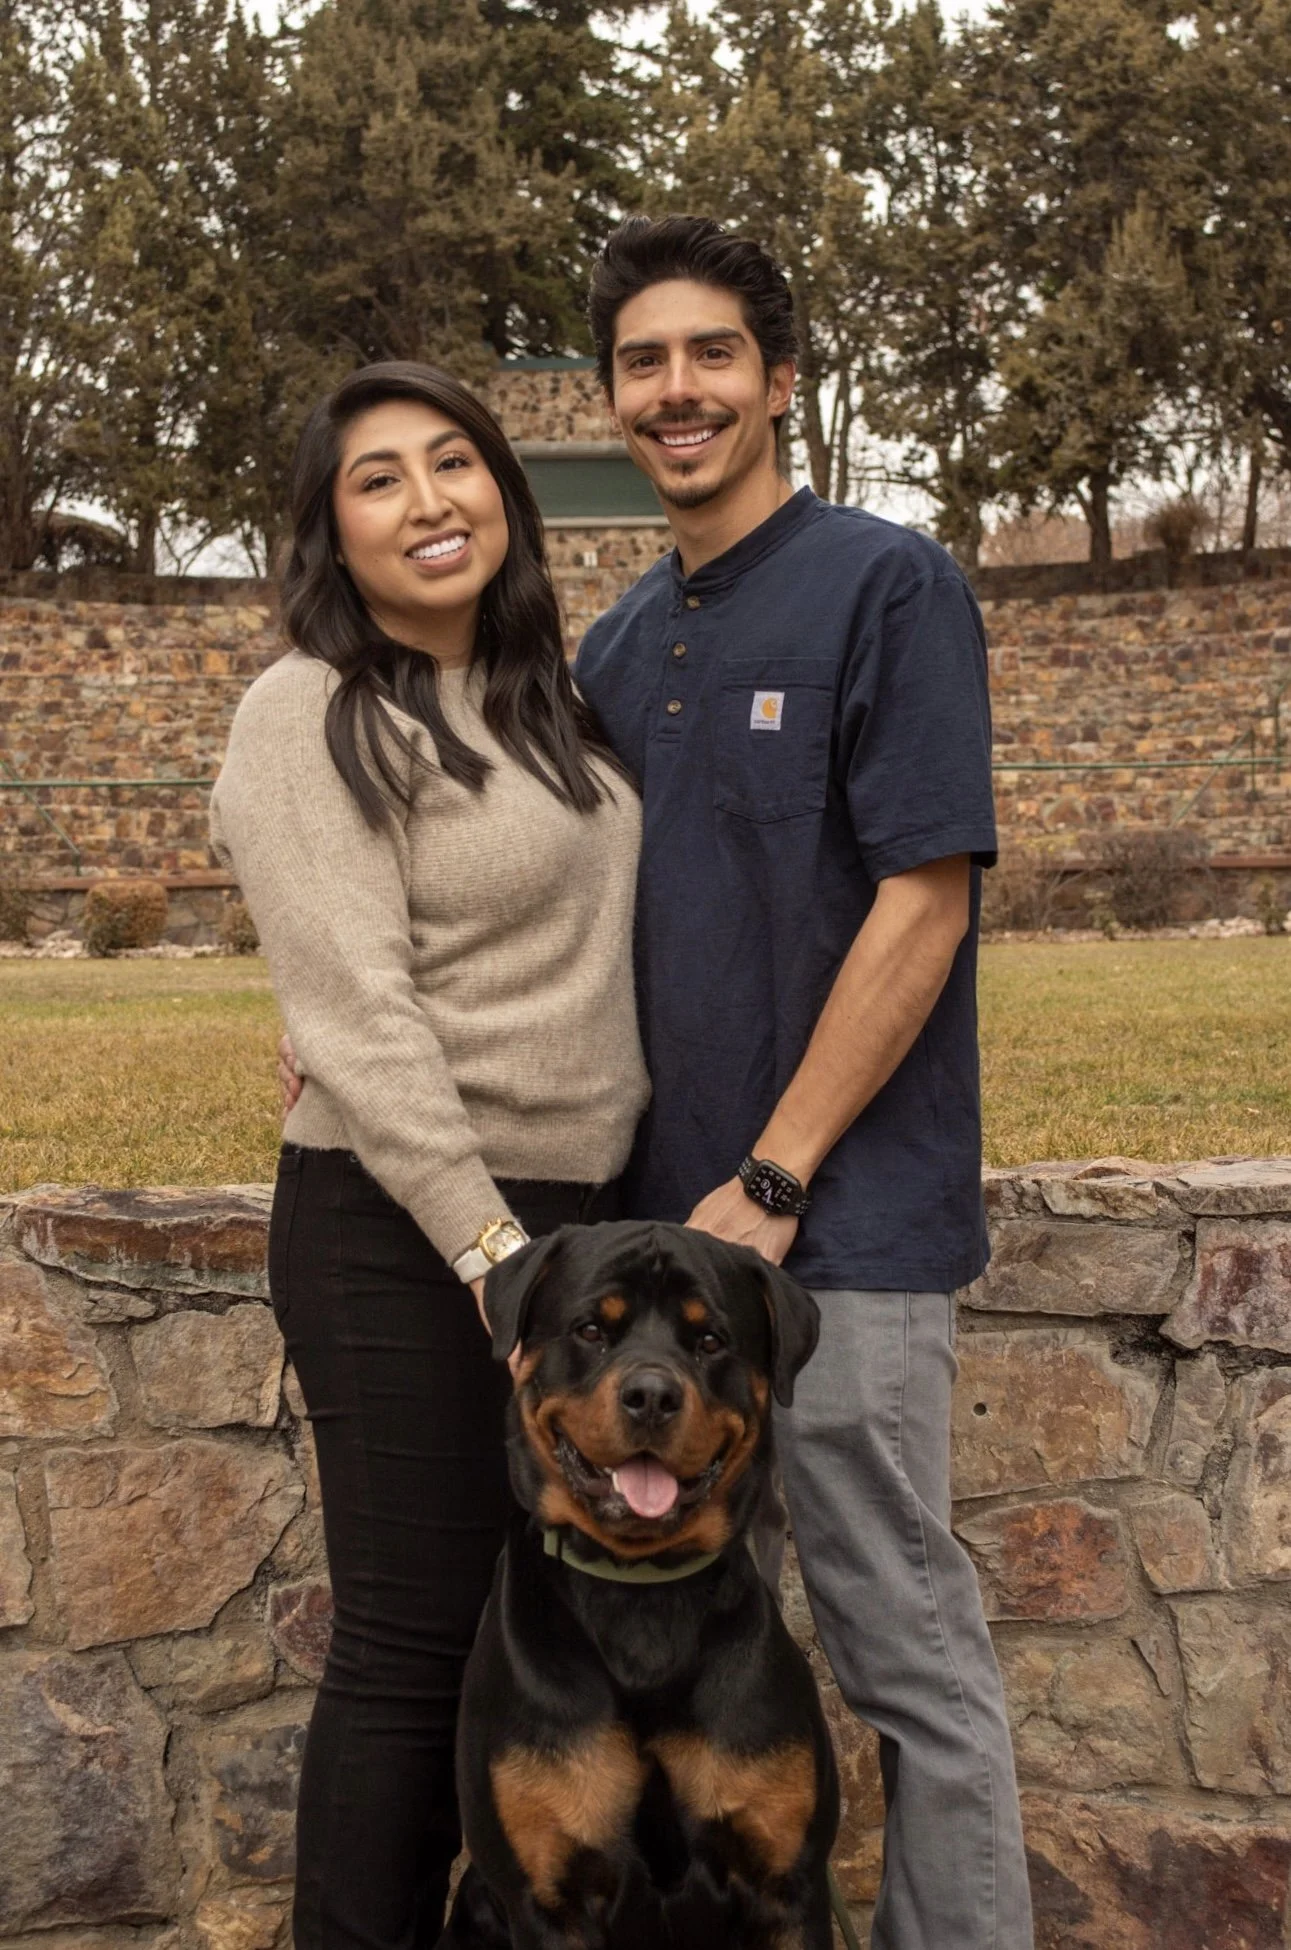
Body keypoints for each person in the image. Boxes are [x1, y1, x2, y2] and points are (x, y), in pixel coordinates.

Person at [571, 216, 1035, 1950]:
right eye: (641, 361)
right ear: (612, 391)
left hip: (834, 1245)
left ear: (777, 378)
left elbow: (924, 898)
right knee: (696, 1700)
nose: (674, 391)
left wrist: (769, 1180)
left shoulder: (888, 585)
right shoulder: (614, 645)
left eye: (709, 356)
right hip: (657, 1284)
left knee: (904, 1655)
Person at [211, 360, 648, 1950]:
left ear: (505, 492)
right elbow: (358, 1009)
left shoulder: (551, 698)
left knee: (534, 1637)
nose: (428, 499)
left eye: (453, 461)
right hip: (410, 1227)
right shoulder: (307, 709)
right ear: (332, 533)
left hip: (570, 1226)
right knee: (411, 1640)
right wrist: (489, 1249)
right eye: (377, 478)